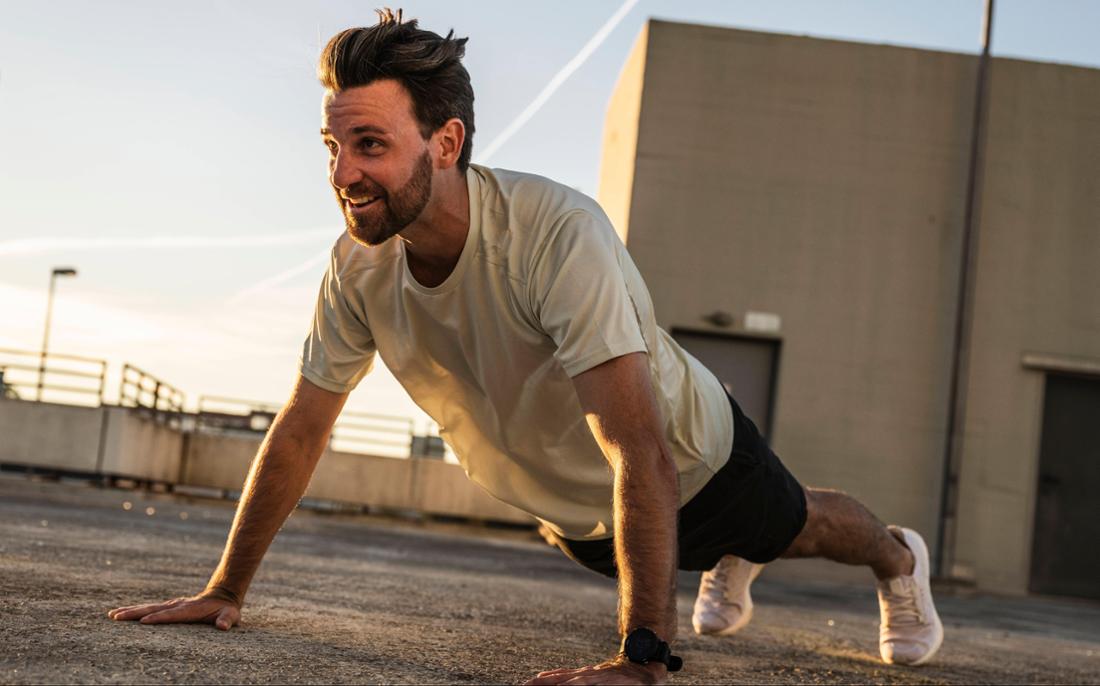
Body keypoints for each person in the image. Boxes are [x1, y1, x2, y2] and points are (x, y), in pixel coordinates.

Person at [108, 9, 943, 684]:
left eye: (370, 145)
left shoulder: (554, 235)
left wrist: (641, 660)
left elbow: (639, 447)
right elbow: (301, 430)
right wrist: (225, 590)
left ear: (446, 143)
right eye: (334, 146)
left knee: (798, 527)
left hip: (691, 461)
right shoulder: (356, 268)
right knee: (686, 546)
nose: (344, 174)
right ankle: (731, 558)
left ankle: (900, 560)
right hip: (576, 517)